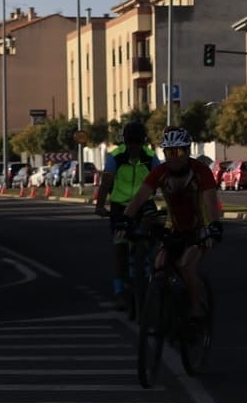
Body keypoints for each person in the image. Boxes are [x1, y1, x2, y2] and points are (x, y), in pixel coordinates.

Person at [122, 128, 225, 321]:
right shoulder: (160, 172)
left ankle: (196, 309)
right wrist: (125, 219)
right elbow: (139, 198)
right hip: (175, 227)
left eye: (178, 151)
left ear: (187, 151)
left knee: (186, 266)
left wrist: (214, 226)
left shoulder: (201, 171)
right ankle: (167, 307)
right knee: (159, 266)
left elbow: (211, 201)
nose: (173, 157)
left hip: (200, 228)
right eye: (169, 152)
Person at [94, 120, 159, 302]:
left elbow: (162, 181)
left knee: (153, 233)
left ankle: (151, 265)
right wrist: (100, 206)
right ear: (125, 141)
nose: (134, 146)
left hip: (144, 204)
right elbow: (105, 184)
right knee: (120, 245)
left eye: (137, 142)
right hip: (120, 206)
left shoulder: (151, 157)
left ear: (143, 141)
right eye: (130, 142)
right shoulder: (115, 157)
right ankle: (119, 288)